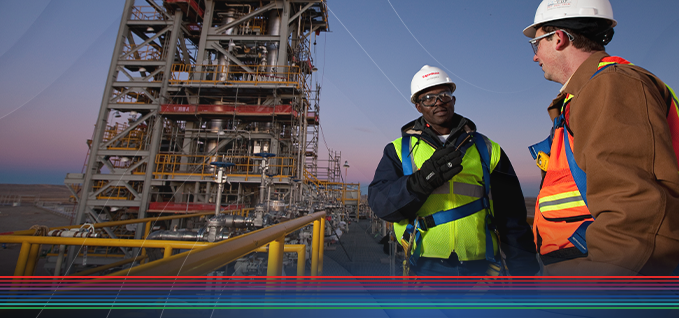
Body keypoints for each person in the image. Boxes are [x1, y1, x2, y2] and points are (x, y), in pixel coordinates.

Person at [524, 0, 679, 275]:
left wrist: (591, 289)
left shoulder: (613, 84)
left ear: (558, 38)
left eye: (536, 45)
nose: (534, 57)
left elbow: (636, 217)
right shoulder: (585, 94)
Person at [368, 65, 539, 276]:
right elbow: (381, 204)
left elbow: (512, 217)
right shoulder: (398, 150)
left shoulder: (486, 149)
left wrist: (525, 274)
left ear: (454, 100)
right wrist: (422, 181)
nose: (438, 102)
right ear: (418, 107)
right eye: (429, 97)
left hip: (482, 270)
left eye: (444, 95)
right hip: (424, 268)